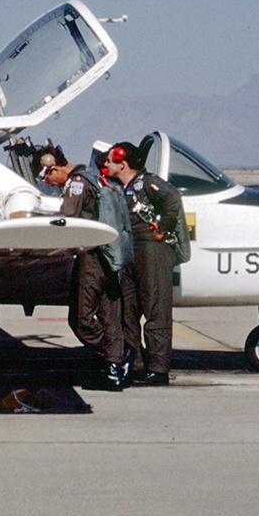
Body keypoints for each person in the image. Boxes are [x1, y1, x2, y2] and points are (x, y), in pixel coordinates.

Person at [33, 144, 132, 389]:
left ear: (53, 168)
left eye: (47, 176)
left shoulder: (76, 183)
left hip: (92, 257)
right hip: (112, 255)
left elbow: (67, 217)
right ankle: (114, 369)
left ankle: (118, 355)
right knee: (110, 315)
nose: (50, 182)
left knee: (81, 318)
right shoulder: (97, 177)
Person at [104, 142, 187, 387]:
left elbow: (172, 198)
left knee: (155, 309)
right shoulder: (123, 187)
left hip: (152, 251)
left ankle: (158, 370)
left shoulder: (148, 183)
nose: (106, 165)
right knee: (127, 312)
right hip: (131, 252)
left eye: (110, 160)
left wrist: (162, 229)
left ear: (123, 162)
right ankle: (137, 365)